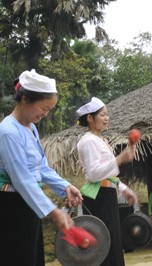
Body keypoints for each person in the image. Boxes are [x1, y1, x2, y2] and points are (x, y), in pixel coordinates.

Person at [0, 69, 83, 265]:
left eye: (49, 110)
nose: (46, 114)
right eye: (44, 108)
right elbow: (22, 180)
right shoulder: (8, 132)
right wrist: (54, 212)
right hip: (11, 207)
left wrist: (64, 186)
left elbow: (42, 167)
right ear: (25, 99)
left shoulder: (31, 128)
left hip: (28, 205)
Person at [76, 97, 138, 266]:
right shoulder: (88, 141)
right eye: (102, 115)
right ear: (90, 118)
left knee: (113, 243)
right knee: (105, 245)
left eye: (107, 115)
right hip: (99, 197)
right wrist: (120, 159)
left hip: (107, 194)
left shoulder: (101, 140)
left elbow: (109, 175)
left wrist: (124, 188)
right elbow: (95, 173)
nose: (107, 118)